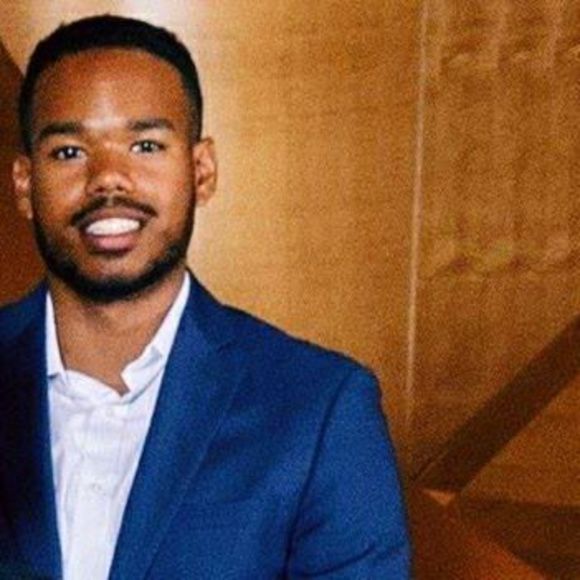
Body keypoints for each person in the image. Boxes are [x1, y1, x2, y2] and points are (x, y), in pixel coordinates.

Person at [0, 15, 410, 579]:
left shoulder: (320, 411)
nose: (108, 179)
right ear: (24, 184)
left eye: (146, 145)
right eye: (69, 152)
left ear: (202, 171)